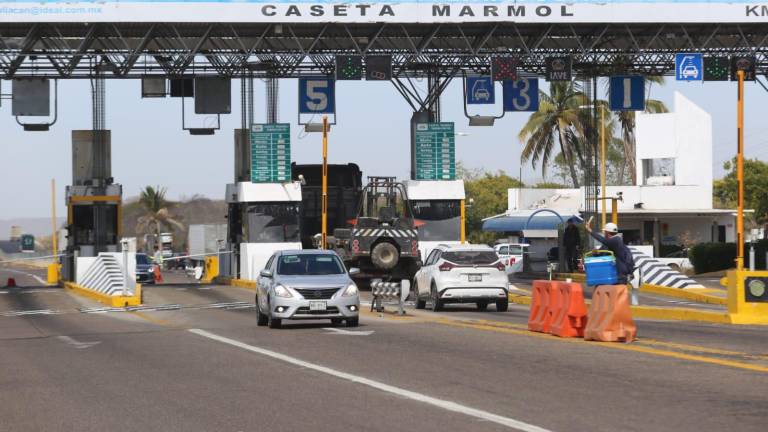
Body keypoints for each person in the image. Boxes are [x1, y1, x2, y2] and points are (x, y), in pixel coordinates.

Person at [585, 219, 634, 284]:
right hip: (613, 273)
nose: (604, 233)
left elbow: (602, 240)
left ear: (607, 232)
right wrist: (596, 253)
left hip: (619, 274)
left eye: (604, 232)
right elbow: (601, 252)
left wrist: (590, 230)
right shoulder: (611, 242)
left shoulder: (615, 240)